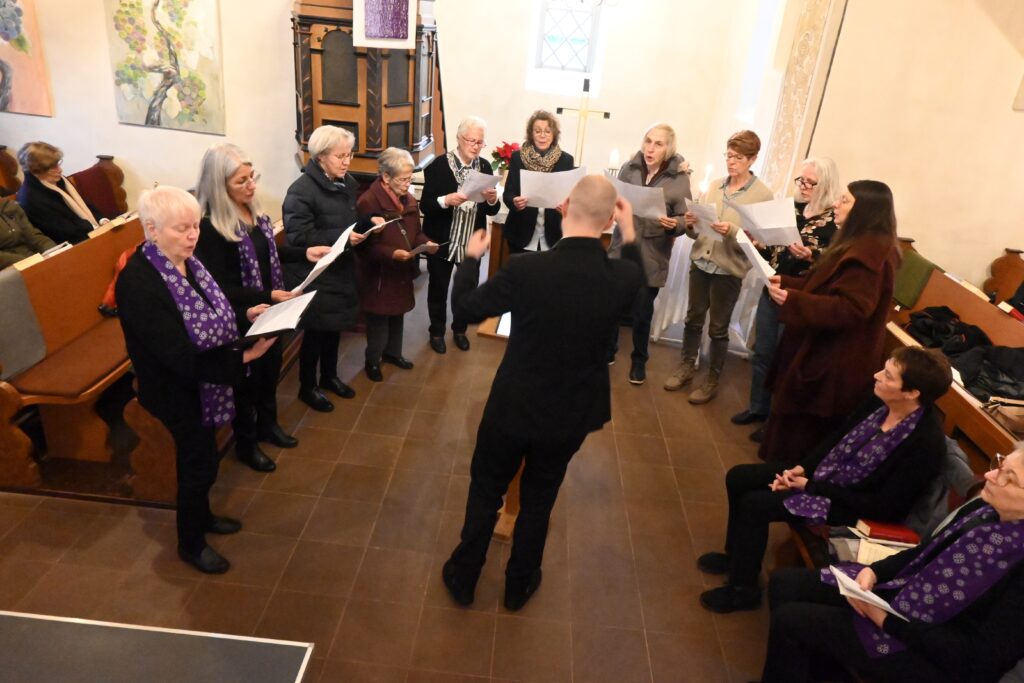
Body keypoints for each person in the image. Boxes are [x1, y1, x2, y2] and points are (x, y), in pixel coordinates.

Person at [441, 175, 643, 612]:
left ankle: (464, 575)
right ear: (610, 220)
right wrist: (628, 231)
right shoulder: (621, 277)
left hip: (514, 404)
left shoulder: (527, 269)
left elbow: (466, 309)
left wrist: (471, 259)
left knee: (486, 489)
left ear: (563, 207)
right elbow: (635, 274)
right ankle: (519, 583)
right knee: (541, 496)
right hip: (571, 412)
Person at [697, 346, 952, 614]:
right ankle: (735, 556)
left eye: (888, 376)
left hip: (856, 508)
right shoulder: (880, 399)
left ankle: (743, 590)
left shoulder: (925, 443)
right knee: (739, 477)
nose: (877, 376)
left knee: (755, 505)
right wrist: (802, 469)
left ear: (912, 393)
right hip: (827, 479)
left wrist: (811, 486)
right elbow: (836, 439)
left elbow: (882, 506)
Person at [758, 442, 1024, 683]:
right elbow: (922, 553)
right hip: (903, 598)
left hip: (935, 657)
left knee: (789, 621)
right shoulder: (983, 510)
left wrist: (885, 619)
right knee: (785, 584)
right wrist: (874, 572)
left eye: (1009, 478)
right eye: (1000, 465)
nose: (989, 475)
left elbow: (977, 660)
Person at [116, 186, 277, 574]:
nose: (192, 236)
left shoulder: (189, 263)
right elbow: (175, 354)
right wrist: (243, 357)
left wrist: (245, 315)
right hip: (175, 389)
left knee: (204, 458)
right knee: (198, 464)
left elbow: (211, 311)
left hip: (204, 379)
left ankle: (203, 517)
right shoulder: (139, 281)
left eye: (195, 227)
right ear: (152, 230)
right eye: (181, 229)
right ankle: (190, 543)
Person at [194, 143, 331, 470]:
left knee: (269, 371)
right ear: (219, 185)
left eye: (251, 177)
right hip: (241, 315)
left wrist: (303, 253)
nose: (251, 185)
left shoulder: (251, 211)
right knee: (245, 383)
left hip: (269, 308)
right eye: (241, 181)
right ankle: (246, 443)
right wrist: (268, 295)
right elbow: (217, 286)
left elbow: (267, 252)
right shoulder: (210, 228)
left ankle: (268, 425)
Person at [758, 179, 902, 463]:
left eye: (845, 200)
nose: (836, 204)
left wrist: (793, 300)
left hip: (833, 359)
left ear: (865, 210)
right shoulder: (858, 243)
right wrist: (787, 283)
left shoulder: (869, 253)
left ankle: (787, 480)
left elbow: (851, 308)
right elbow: (825, 287)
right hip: (822, 349)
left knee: (802, 442)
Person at [731, 158, 840, 435]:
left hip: (801, 297)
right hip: (773, 288)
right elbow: (774, 251)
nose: (803, 186)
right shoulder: (791, 210)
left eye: (811, 183)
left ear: (826, 185)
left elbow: (835, 264)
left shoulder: (834, 222)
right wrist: (757, 243)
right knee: (763, 353)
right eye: (801, 180)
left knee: (786, 359)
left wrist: (812, 256)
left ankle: (774, 422)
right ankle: (757, 407)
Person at [664, 130, 774, 403]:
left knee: (718, 328)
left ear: (753, 159)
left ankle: (712, 379)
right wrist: (692, 224)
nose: (731, 162)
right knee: (693, 319)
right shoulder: (715, 186)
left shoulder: (763, 195)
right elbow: (697, 234)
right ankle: (687, 366)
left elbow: (760, 243)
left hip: (728, 269)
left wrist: (732, 231)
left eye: (738, 157)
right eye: (729, 155)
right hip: (701, 261)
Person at [282, 125, 382, 412]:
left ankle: (329, 377)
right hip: (315, 273)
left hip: (339, 268)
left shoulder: (345, 182)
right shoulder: (301, 190)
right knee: (316, 332)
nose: (347, 161)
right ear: (320, 156)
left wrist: (368, 222)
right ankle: (307, 387)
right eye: (340, 156)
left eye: (349, 154)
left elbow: (346, 221)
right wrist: (343, 237)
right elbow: (298, 237)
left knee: (334, 327)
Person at [607, 122, 692, 385]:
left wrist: (674, 224)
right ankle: (608, 350)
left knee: (642, 313)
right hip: (622, 248)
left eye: (658, 144)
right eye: (648, 141)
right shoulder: (629, 168)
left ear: (668, 149)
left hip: (652, 254)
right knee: (612, 306)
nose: (650, 148)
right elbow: (615, 199)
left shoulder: (679, 178)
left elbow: (686, 218)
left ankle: (639, 360)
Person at [355, 147, 438, 382]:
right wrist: (392, 254)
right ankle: (372, 361)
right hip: (379, 274)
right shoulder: (368, 202)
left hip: (402, 270)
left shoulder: (407, 198)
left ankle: (393, 353)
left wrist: (426, 243)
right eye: (403, 179)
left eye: (410, 178)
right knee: (379, 320)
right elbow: (364, 246)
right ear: (386, 177)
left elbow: (416, 233)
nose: (407, 184)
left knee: (397, 314)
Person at [420, 115, 501, 354]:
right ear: (459, 138)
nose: (475, 146)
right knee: (438, 288)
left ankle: (459, 330)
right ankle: (436, 331)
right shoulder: (438, 166)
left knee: (467, 288)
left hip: (470, 242)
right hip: (442, 238)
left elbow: (491, 210)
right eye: (471, 141)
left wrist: (492, 200)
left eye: (480, 142)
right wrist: (445, 200)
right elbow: (425, 205)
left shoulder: (484, 167)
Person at [501, 109, 575, 253]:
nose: (542, 135)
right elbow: (508, 193)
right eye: (537, 131)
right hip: (521, 233)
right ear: (531, 134)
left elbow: (571, 198)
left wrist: (566, 207)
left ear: (554, 135)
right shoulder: (517, 157)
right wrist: (514, 201)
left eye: (547, 131)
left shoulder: (566, 160)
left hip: (554, 236)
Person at [15, 141, 104, 244]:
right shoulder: (30, 198)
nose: (60, 170)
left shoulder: (60, 180)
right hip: (73, 243)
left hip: (90, 231)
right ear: (36, 170)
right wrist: (94, 227)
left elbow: (84, 203)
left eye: (57, 164)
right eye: (52, 167)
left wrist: (101, 219)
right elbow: (61, 229)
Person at [1, 194, 56, 269]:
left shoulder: (9, 206)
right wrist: (27, 261)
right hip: (11, 269)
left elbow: (33, 236)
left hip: (33, 259)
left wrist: (54, 251)